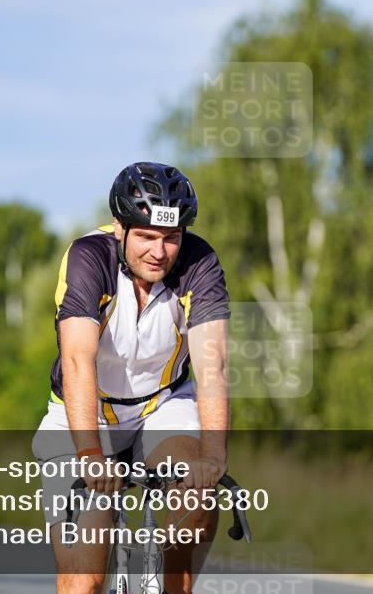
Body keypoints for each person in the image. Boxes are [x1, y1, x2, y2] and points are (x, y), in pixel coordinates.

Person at [32, 161, 231, 594]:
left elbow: (212, 365)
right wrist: (89, 452)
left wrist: (213, 456)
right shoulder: (89, 257)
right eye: (146, 236)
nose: (159, 251)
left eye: (171, 237)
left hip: (163, 406)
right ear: (120, 228)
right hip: (84, 413)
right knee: (83, 581)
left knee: (196, 496)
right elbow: (78, 360)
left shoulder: (199, 262)